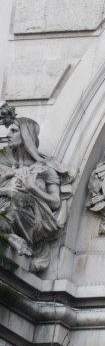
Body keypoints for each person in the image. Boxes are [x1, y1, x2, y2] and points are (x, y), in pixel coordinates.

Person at [0, 113, 75, 271]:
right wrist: (6, 187)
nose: (8, 135)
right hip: (6, 208)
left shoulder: (45, 168)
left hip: (28, 213)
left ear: (26, 135)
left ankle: (12, 235)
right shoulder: (8, 167)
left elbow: (55, 202)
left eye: (14, 131)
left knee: (18, 201)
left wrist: (33, 189)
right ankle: (10, 237)